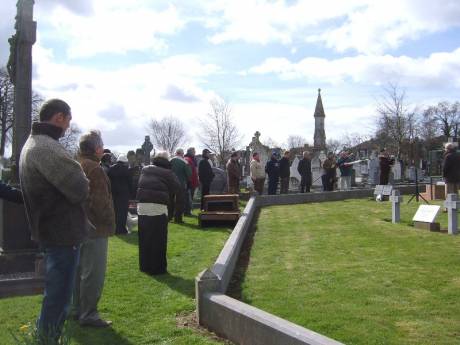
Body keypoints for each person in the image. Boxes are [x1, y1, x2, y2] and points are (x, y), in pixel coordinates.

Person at [19, 99, 89, 342]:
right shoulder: (45, 148)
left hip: (54, 231)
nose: (68, 126)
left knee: (57, 296)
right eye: (68, 120)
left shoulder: (36, 144)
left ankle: (48, 338)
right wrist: (81, 173)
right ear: (59, 117)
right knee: (58, 298)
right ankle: (47, 340)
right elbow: (80, 187)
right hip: (62, 233)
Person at [74, 130, 115, 328]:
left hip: (78, 226)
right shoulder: (95, 169)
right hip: (95, 228)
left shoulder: (77, 164)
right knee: (93, 273)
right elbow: (100, 203)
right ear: (98, 149)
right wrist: (110, 221)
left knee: (79, 271)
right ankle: (89, 314)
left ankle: (76, 309)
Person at [136, 151, 182, 275]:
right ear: (167, 161)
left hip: (142, 205)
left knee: (144, 237)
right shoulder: (167, 172)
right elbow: (177, 187)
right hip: (158, 206)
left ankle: (145, 266)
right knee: (158, 238)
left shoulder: (145, 169)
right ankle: (157, 268)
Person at [108, 154, 131, 235]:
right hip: (124, 194)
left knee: (115, 211)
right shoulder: (127, 170)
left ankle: (114, 229)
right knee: (123, 212)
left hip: (113, 193)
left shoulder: (111, 169)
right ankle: (121, 229)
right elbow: (129, 182)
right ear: (125, 162)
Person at [170, 148, 190, 223]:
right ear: (181, 154)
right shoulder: (184, 162)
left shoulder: (170, 160)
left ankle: (169, 216)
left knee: (170, 200)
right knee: (180, 201)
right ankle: (178, 218)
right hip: (181, 184)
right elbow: (189, 174)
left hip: (170, 183)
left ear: (176, 153)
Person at [184, 147, 199, 216]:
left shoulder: (193, 159)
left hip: (193, 181)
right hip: (190, 182)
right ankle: (187, 211)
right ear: (190, 152)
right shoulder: (187, 159)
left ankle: (188, 211)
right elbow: (189, 172)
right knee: (188, 197)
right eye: (194, 151)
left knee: (191, 197)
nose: (195, 152)